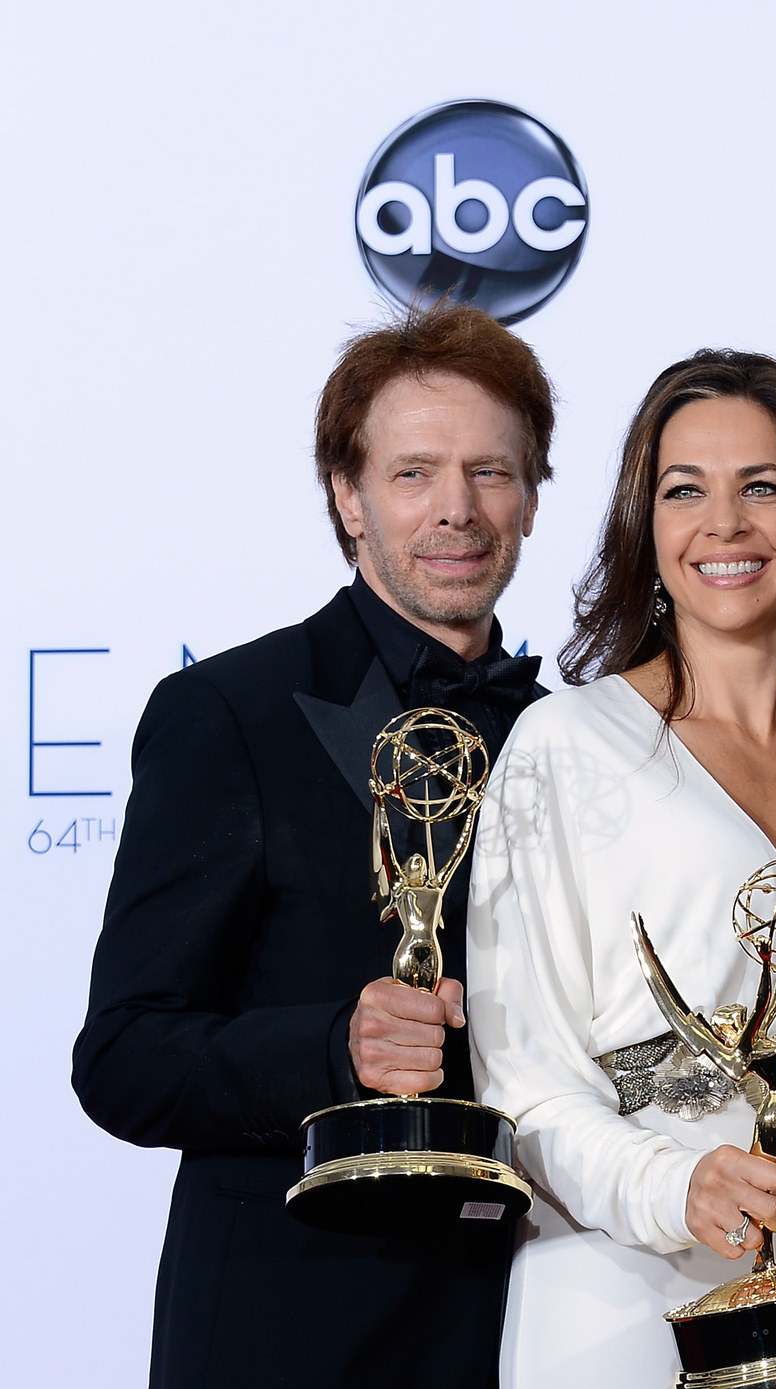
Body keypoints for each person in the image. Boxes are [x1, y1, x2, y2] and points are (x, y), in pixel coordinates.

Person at [72, 302, 557, 1389]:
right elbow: (123, 1057)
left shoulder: (574, 738)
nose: (457, 511)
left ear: (530, 496)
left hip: (525, 1320)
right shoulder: (227, 713)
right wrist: (334, 1048)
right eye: (412, 473)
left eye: (490, 471)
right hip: (287, 1330)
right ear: (347, 496)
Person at [466, 349, 776, 1388]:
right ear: (646, 527)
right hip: (615, 1311)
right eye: (685, 490)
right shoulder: (566, 747)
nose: (723, 524)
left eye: (760, 488)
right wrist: (674, 1186)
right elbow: (523, 1085)